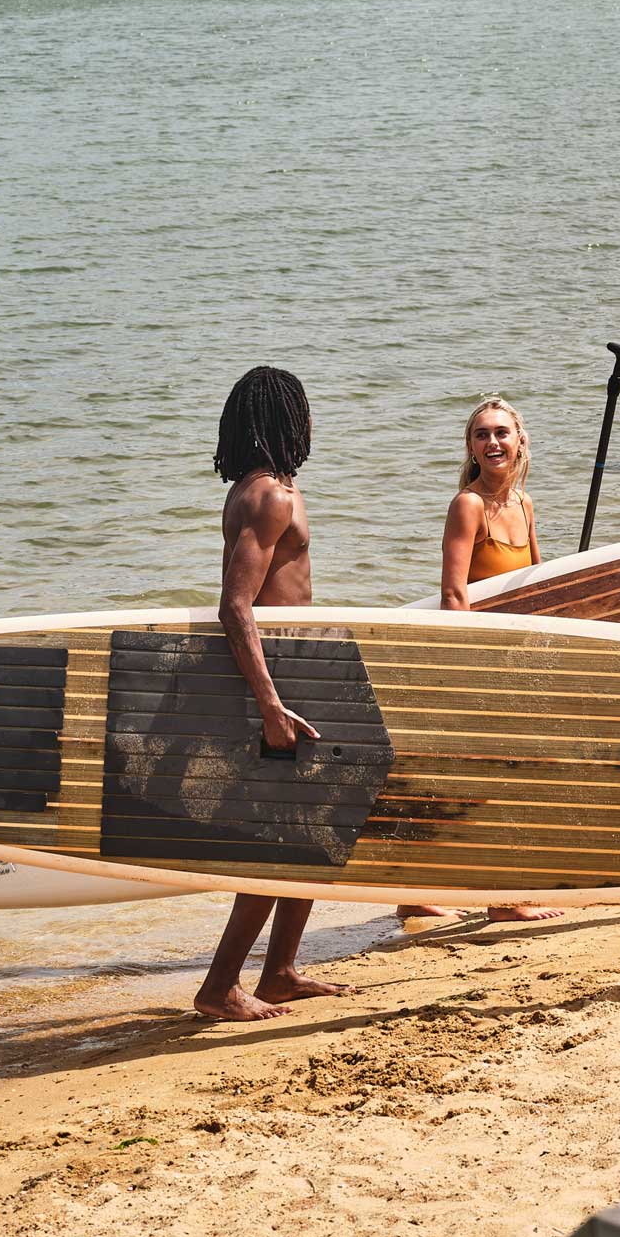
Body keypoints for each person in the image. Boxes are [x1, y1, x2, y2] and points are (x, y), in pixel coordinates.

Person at [193, 365, 355, 1022]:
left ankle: (281, 970)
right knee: (279, 840)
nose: (311, 421)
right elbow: (236, 607)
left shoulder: (266, 490)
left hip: (296, 673)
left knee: (315, 830)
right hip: (277, 684)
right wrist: (269, 705)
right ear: (287, 420)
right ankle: (218, 986)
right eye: (303, 410)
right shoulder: (269, 497)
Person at [400, 395, 561, 930]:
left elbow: (539, 586)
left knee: (462, 776)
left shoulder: (524, 503)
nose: (492, 442)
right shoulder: (467, 505)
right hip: (481, 655)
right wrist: (473, 665)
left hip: (516, 656)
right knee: (499, 774)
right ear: (471, 447)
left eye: (501, 433)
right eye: (480, 435)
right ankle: (503, 898)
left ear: (520, 441)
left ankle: (413, 893)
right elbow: (453, 592)